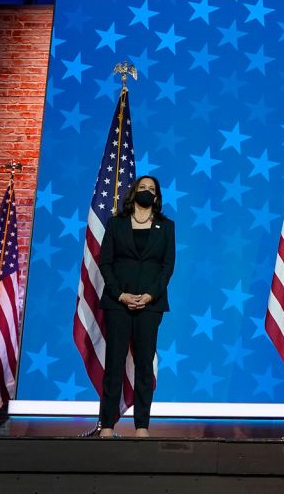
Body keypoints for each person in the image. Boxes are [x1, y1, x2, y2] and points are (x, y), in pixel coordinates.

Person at [97, 175, 176, 438]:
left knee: (144, 366)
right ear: (134, 193)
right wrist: (120, 295)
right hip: (118, 303)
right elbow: (105, 262)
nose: (146, 192)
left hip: (150, 306)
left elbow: (167, 267)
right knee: (114, 364)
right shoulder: (116, 224)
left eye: (151, 189)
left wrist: (150, 295)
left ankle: (142, 425)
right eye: (142, 188)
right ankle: (106, 425)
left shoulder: (166, 227)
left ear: (157, 196)